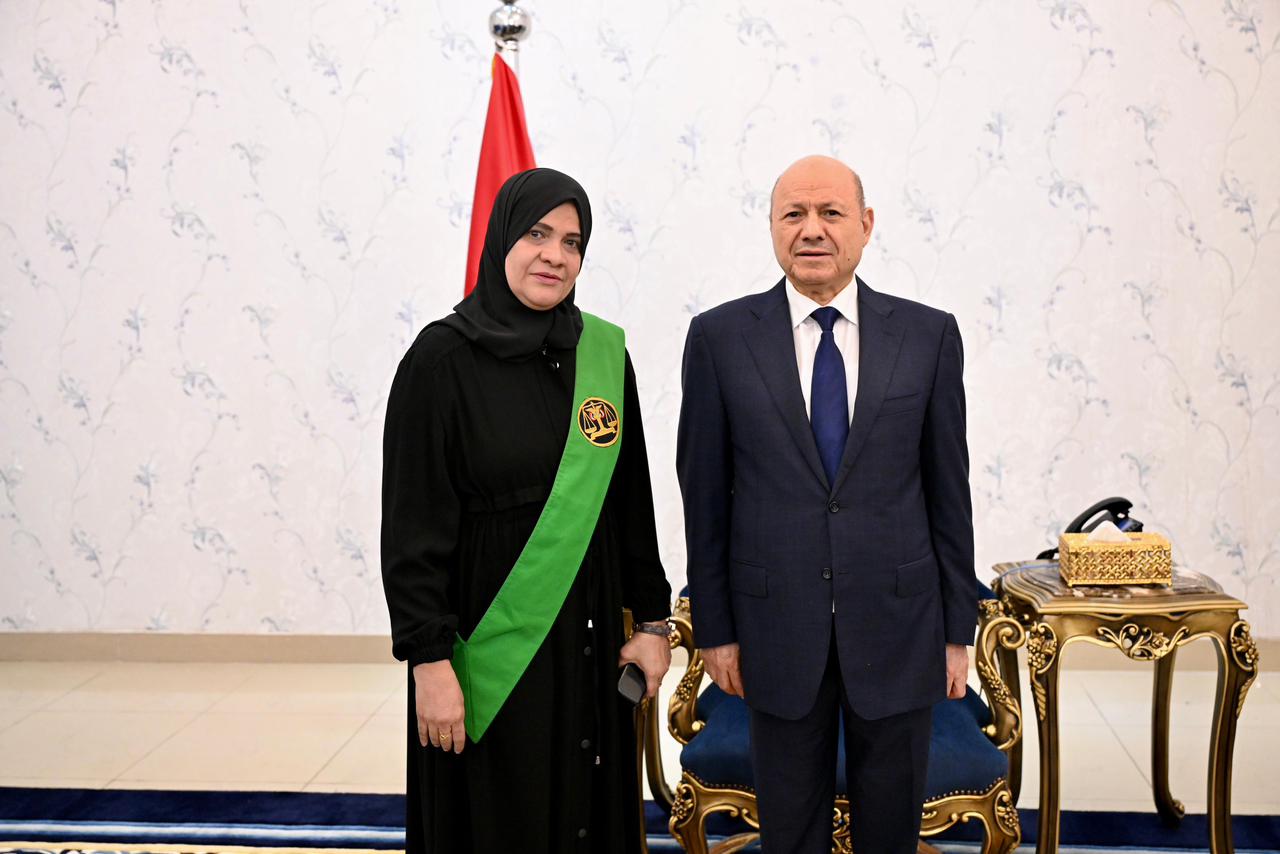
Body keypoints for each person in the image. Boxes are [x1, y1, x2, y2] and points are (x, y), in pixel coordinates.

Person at [676, 155, 975, 853]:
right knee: (790, 834)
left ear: (865, 225)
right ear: (772, 227)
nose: (812, 230)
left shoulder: (928, 336)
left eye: (831, 213)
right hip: (774, 628)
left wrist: (955, 629)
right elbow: (705, 498)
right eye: (794, 214)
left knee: (891, 832)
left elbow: (949, 491)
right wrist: (716, 629)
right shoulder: (720, 339)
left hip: (901, 624)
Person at [381, 167, 672, 854]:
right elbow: (412, 530)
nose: (554, 255)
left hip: (593, 639)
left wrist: (653, 622)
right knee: (499, 811)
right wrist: (429, 662)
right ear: (503, 238)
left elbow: (630, 503)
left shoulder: (603, 355)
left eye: (572, 242)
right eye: (537, 234)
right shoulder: (440, 360)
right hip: (489, 644)